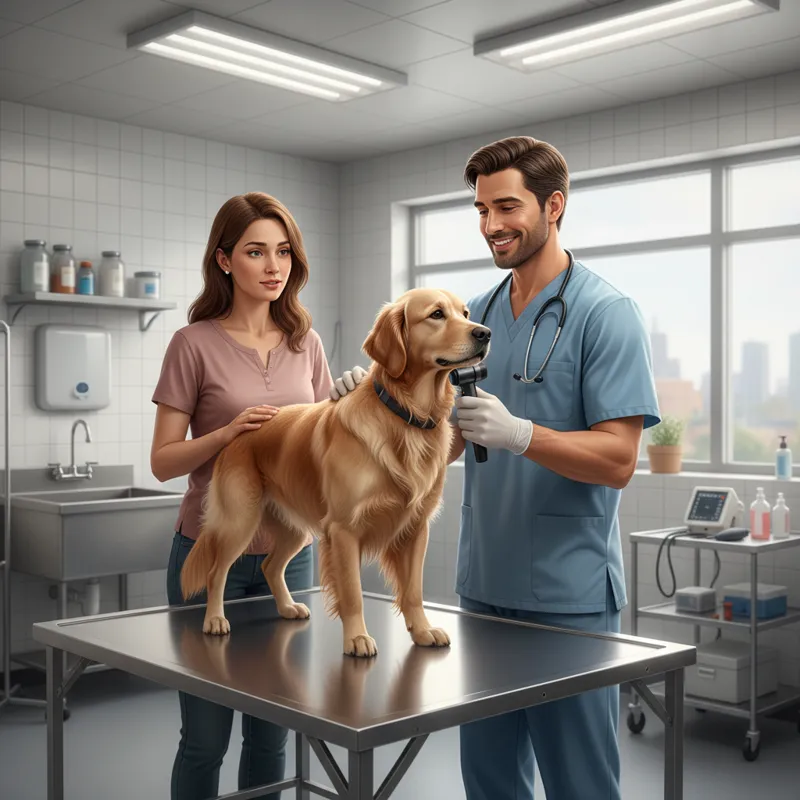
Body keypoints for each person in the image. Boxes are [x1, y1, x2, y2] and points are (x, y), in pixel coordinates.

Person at [449, 136, 661, 799]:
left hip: (565, 598)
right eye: (481, 210)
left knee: (578, 783)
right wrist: (377, 409)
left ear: (554, 205)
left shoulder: (606, 313)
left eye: (506, 207)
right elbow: (449, 441)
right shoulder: (474, 315)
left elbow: (619, 459)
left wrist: (520, 433)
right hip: (484, 587)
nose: (491, 226)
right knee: (488, 779)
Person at [150, 191, 365, 800]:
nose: (274, 267)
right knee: (205, 738)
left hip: (283, 566)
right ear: (223, 261)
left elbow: (324, 440)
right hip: (211, 546)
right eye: (255, 252)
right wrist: (226, 433)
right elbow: (163, 461)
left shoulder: (307, 342)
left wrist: (353, 405)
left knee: (271, 736)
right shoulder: (192, 344)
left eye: (283, 252)